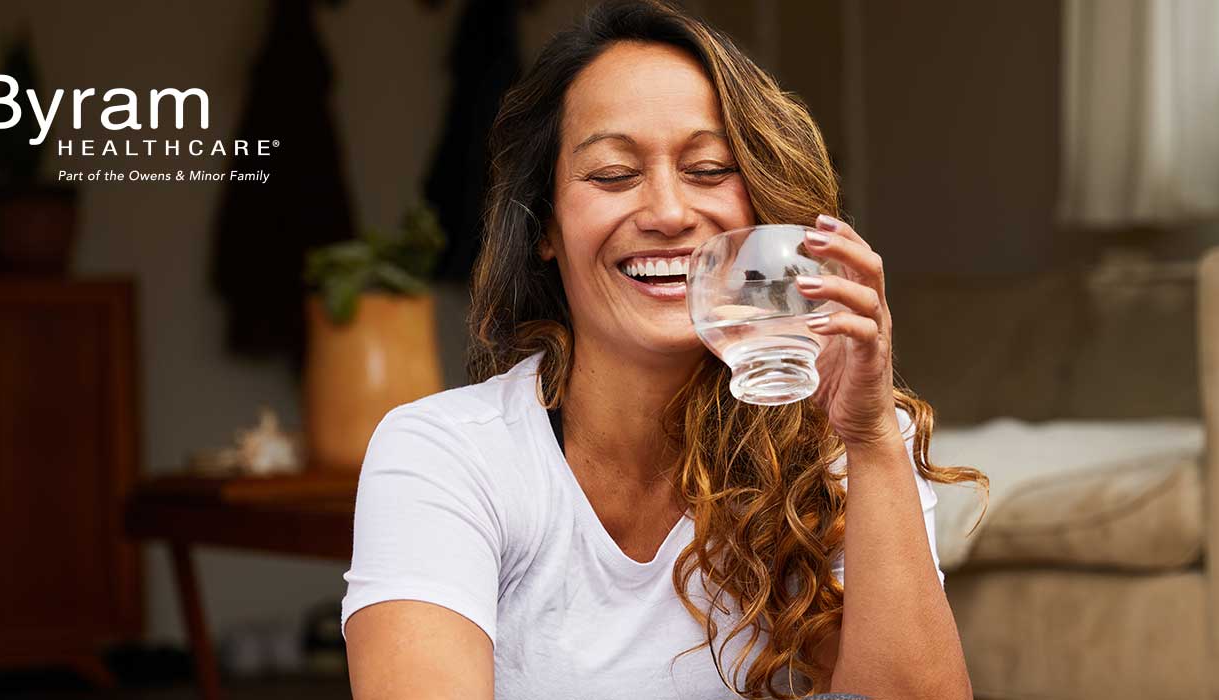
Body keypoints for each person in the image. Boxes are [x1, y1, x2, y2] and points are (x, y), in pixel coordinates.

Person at [342, 2, 982, 698]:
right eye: (613, 174)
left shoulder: (847, 444)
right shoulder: (446, 455)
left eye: (709, 169)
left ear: (759, 207)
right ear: (545, 227)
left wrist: (872, 440)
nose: (671, 213)